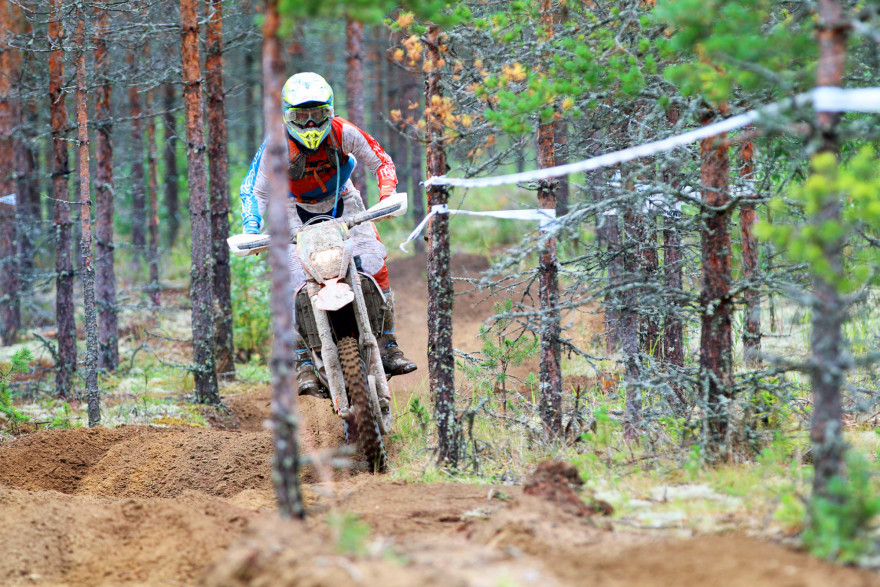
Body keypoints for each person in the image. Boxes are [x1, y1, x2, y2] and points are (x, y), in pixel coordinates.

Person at [239, 72, 417, 400]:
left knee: (374, 258)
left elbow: (380, 159)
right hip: (293, 208)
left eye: (317, 114)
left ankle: (388, 343)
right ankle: (303, 360)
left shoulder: (341, 131)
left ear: (329, 111)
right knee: (290, 278)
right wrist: (251, 228)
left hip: (342, 200)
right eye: (300, 116)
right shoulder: (276, 146)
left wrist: (388, 194)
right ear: (287, 116)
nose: (309, 125)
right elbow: (254, 190)